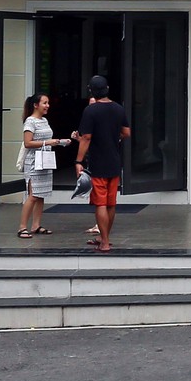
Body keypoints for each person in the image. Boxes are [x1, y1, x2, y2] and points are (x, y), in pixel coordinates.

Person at [71, 75, 130, 254]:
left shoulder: (91, 111)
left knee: (100, 204)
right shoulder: (119, 108)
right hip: (114, 161)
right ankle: (105, 238)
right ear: (107, 89)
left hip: (98, 163)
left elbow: (86, 137)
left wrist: (78, 161)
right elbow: (126, 132)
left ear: (91, 91)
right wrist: (114, 138)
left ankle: (104, 242)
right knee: (111, 203)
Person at [16, 93, 67, 239]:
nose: (47, 106)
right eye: (44, 103)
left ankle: (36, 225)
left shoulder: (44, 120)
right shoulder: (30, 121)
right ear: (35, 105)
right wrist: (47, 142)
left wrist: (60, 142)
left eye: (48, 103)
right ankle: (22, 227)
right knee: (33, 195)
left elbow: (47, 139)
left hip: (44, 161)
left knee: (41, 195)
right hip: (33, 162)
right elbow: (28, 143)